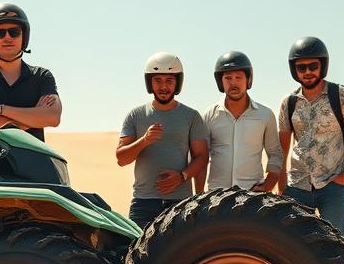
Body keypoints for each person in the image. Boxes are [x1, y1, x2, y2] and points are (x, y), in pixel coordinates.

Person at [278, 36, 344, 235]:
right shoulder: (288, 102)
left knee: (334, 246)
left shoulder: (341, 95)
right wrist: (282, 185)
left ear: (322, 66)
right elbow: (281, 149)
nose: (308, 72)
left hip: (332, 186)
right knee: (293, 245)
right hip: (297, 187)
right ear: (294, 70)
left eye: (313, 66)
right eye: (301, 67)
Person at [116, 52, 208, 228]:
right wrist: (144, 140)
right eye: (158, 80)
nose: (163, 86)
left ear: (178, 83)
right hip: (143, 203)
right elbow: (121, 158)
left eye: (169, 81)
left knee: (181, 255)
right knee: (134, 253)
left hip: (180, 202)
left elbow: (202, 156)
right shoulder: (135, 115)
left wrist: (182, 176)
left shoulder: (191, 116)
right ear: (149, 82)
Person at [0, 2, 61, 140]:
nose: (7, 37)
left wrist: (2, 109)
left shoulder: (41, 76)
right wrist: (25, 121)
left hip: (35, 160)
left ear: (23, 36)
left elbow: (52, 117)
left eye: (14, 32)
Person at [202, 51, 282, 192]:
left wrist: (268, 185)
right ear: (221, 82)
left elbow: (275, 153)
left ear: (248, 80)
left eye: (238, 77)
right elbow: (200, 157)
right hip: (216, 196)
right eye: (228, 78)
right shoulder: (209, 115)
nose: (233, 83)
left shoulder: (265, 115)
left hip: (252, 196)